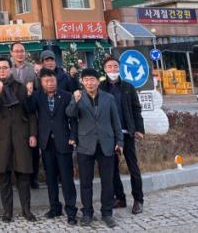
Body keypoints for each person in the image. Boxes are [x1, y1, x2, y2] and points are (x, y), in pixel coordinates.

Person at [66, 68, 123, 228]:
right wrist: (75, 101)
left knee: (107, 181)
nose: (89, 83)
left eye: (92, 79)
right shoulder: (78, 97)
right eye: (86, 80)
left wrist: (120, 141)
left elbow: (116, 121)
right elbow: (70, 114)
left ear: (98, 81)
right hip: (85, 144)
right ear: (82, 82)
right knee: (86, 182)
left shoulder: (108, 98)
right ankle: (87, 213)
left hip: (106, 144)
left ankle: (107, 213)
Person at [0, 57, 37, 223]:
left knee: (23, 176)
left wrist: (32, 134)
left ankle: (26, 210)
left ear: (10, 69)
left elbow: (31, 112)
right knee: (4, 177)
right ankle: (7, 212)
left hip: (20, 137)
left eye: (5, 67)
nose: (2, 70)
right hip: (1, 139)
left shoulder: (20, 87)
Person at [100, 57, 146, 215]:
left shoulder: (128, 87)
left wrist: (139, 128)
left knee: (133, 167)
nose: (112, 69)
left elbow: (136, 108)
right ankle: (120, 198)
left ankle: (138, 200)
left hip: (127, 133)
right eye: (109, 67)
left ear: (119, 68)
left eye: (115, 66)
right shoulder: (101, 87)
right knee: (112, 169)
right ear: (104, 69)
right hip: (109, 135)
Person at [32, 68, 78, 225]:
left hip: (64, 141)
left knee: (66, 178)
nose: (50, 83)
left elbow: (73, 119)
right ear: (41, 82)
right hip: (46, 143)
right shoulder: (38, 96)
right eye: (46, 81)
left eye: (52, 80)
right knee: (50, 178)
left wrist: (73, 136)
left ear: (56, 80)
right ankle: (55, 207)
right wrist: (29, 94)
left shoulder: (66, 96)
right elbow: (29, 110)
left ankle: (71, 211)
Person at [10, 42, 40, 189]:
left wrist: (31, 93)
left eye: (21, 51)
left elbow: (38, 89)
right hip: (13, 112)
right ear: (11, 53)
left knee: (32, 147)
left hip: (29, 112)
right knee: (15, 147)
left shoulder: (31, 69)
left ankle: (33, 178)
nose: (19, 54)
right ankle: (16, 179)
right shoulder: (8, 69)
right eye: (16, 51)